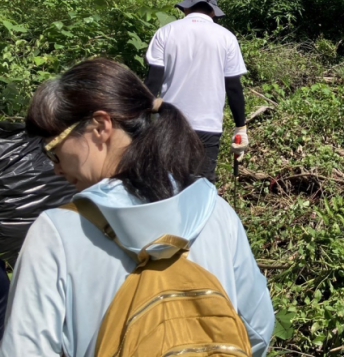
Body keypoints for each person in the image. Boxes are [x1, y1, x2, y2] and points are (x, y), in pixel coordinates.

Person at [0, 58, 274, 355]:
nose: (55, 169)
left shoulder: (56, 233)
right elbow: (258, 329)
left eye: (52, 151)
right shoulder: (215, 211)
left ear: (100, 126)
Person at [145, 0, 248, 181]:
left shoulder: (165, 33)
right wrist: (240, 127)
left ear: (186, 8)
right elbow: (234, 88)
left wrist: (140, 122)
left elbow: (152, 82)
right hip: (208, 128)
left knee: (166, 188)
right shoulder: (226, 38)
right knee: (200, 191)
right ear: (213, 11)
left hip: (170, 125)